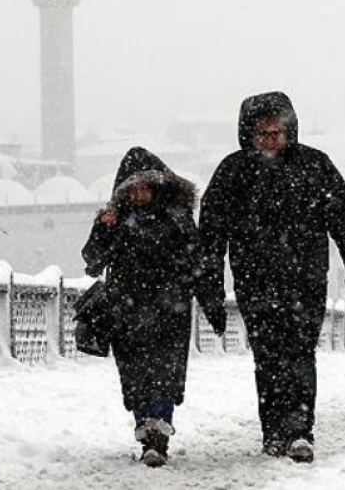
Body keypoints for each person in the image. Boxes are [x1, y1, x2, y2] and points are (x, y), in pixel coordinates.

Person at [198, 91, 345, 463]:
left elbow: (344, 218)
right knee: (268, 356)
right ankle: (273, 431)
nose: (271, 141)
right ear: (248, 134)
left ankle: (298, 430)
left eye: (277, 133)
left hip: (305, 280)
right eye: (263, 134)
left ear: (290, 131)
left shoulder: (314, 166)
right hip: (254, 281)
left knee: (299, 352)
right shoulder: (232, 172)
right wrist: (210, 287)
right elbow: (210, 235)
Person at [82, 147, 228, 468]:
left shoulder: (178, 220)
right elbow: (93, 263)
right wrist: (103, 228)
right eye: (132, 188)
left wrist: (212, 306)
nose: (139, 194)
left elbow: (199, 265)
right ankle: (145, 429)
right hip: (127, 312)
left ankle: (157, 436)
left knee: (163, 373)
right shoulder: (116, 220)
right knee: (136, 376)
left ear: (160, 186)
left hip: (169, 311)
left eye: (145, 186)